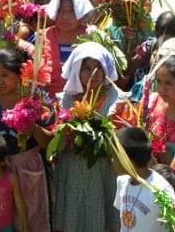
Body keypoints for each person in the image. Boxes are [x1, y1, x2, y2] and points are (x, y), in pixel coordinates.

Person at [0, 48, 54, 232]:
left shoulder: (36, 98)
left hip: (29, 173)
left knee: (29, 221)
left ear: (20, 73)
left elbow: (51, 144)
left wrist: (34, 129)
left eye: (5, 75)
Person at [54, 42, 120, 232]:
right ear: (77, 70)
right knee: (73, 212)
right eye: (87, 68)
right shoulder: (66, 98)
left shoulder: (115, 97)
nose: (94, 74)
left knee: (98, 210)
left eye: (99, 68)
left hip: (102, 169)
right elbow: (59, 135)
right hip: (72, 167)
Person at [113, 127, 175, 232]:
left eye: (115, 156)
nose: (112, 160)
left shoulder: (161, 190)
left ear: (128, 161)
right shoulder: (122, 182)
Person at [43, 0, 94, 98]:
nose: (65, 17)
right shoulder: (43, 36)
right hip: (49, 104)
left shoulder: (91, 36)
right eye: (61, 11)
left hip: (84, 105)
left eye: (71, 11)